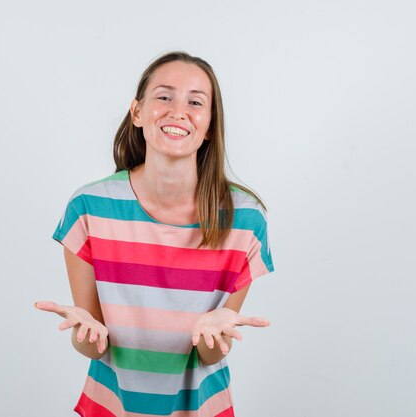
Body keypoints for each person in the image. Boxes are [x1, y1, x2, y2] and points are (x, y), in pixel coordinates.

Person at [35, 51, 275, 417]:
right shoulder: (89, 207)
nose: (178, 111)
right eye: (164, 96)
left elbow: (211, 353)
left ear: (209, 124)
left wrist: (215, 333)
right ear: (137, 113)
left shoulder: (244, 221)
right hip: (111, 407)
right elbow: (95, 344)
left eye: (196, 102)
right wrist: (86, 335)